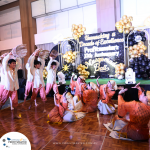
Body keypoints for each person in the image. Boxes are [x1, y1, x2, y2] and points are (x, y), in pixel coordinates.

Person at [0, 52, 22, 119]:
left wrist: (16, 55)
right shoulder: (6, 69)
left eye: (15, 63)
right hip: (7, 88)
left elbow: (19, 62)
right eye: (13, 63)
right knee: (2, 101)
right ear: (9, 64)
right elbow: (4, 62)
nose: (15, 64)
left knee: (15, 102)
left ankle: (15, 115)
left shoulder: (15, 69)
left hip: (14, 89)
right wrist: (9, 54)